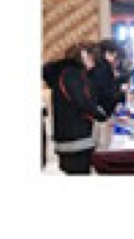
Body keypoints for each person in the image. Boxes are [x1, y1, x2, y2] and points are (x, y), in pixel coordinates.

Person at [43, 44, 107, 174]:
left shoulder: (64, 73)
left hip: (68, 135)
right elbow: (82, 102)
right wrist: (101, 115)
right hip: (76, 137)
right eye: (91, 58)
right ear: (81, 56)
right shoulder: (73, 74)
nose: (93, 63)